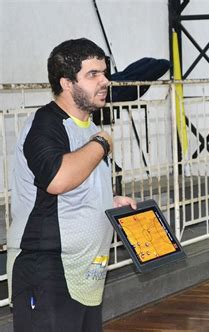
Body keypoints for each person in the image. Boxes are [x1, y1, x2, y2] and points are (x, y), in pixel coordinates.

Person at [7, 38, 137, 332]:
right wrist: (103, 143)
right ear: (66, 83)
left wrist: (110, 201)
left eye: (104, 72)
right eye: (93, 75)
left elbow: (79, 183)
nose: (104, 81)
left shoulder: (87, 127)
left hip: (84, 271)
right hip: (47, 267)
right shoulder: (45, 124)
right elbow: (58, 179)